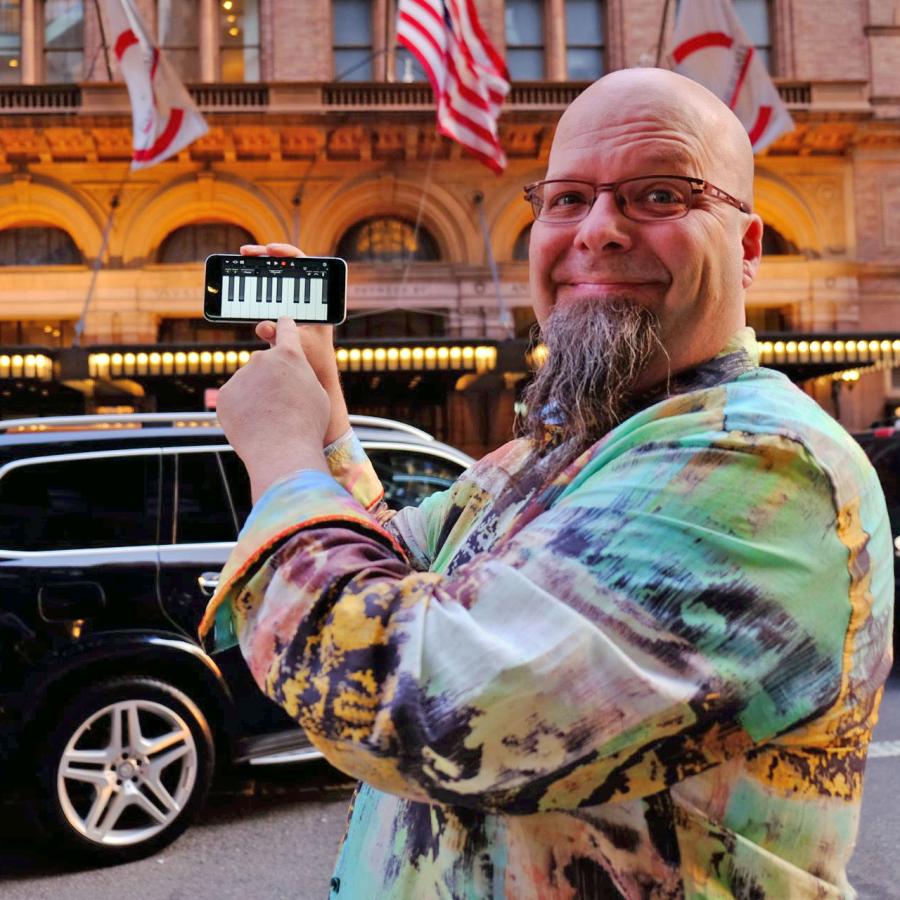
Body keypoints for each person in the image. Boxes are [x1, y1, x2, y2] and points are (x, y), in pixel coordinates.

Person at [200, 68, 893, 899]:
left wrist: (282, 457)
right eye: (567, 198)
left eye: (660, 195)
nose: (597, 231)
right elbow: (400, 572)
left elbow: (411, 702)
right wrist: (328, 416)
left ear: (747, 248)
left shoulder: (760, 465)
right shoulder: (562, 448)